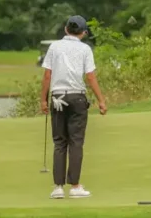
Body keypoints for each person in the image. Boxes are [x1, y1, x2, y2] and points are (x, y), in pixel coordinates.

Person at [40, 15, 107, 199]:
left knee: (59, 142)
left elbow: (47, 75)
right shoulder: (85, 49)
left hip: (58, 97)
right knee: (76, 142)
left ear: (66, 29)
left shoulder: (54, 47)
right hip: (77, 97)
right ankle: (75, 186)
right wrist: (101, 100)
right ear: (83, 33)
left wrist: (43, 100)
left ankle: (58, 188)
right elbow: (90, 77)